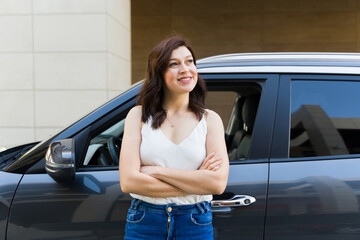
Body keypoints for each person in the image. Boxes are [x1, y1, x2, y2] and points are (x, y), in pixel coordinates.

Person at [119, 36, 229, 240]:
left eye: (189, 61)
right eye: (174, 64)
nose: (185, 69)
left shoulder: (210, 120)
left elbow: (217, 184)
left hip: (195, 223)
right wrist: (196, 180)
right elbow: (129, 182)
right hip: (144, 222)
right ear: (159, 73)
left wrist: (155, 171)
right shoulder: (138, 116)